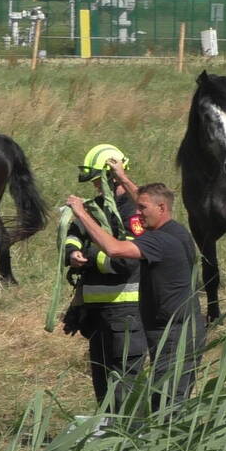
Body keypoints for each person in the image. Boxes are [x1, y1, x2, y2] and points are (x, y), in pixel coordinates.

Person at [66, 172, 205, 413]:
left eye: (142, 208)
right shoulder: (176, 231)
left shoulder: (158, 242)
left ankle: (172, 448)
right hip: (180, 328)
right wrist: (122, 177)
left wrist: (82, 213)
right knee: (165, 398)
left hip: (175, 334)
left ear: (162, 208)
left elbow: (113, 248)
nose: (136, 213)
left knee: (167, 404)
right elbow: (147, 200)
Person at [60, 144, 147, 414]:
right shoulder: (94, 208)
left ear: (112, 176)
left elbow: (125, 262)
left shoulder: (135, 213)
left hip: (126, 312)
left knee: (125, 382)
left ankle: (130, 437)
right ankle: (108, 436)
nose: (96, 188)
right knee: (102, 379)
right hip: (96, 312)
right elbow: (74, 231)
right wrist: (72, 251)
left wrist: (88, 254)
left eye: (99, 182)